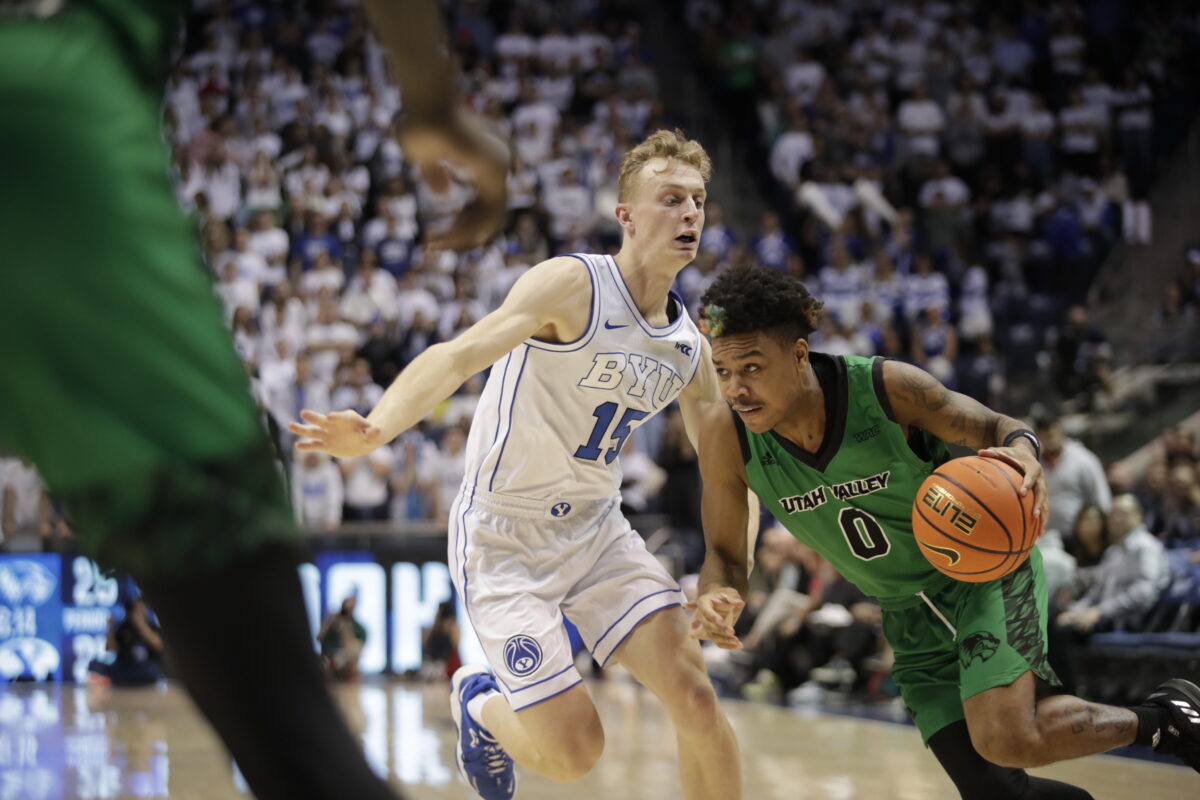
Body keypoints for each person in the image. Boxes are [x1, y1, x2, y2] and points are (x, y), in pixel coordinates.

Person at [0, 2, 506, 799]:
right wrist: (434, 103)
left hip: (175, 459)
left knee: (300, 761)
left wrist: (434, 103)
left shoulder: (86, 48)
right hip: (160, 453)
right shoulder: (89, 49)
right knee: (293, 755)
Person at [292, 129, 744, 800]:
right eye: (670, 199)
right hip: (504, 535)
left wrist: (723, 572)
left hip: (597, 532)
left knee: (696, 700)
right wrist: (379, 425)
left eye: (697, 202)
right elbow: (460, 353)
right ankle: (478, 705)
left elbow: (724, 463)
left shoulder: (686, 347)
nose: (688, 215)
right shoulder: (572, 284)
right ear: (625, 215)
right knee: (573, 753)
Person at [689, 265, 1200, 799]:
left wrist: (1025, 453)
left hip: (983, 573)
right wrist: (717, 594)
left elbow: (997, 427)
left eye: (750, 367)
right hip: (906, 615)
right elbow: (724, 552)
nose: (736, 389)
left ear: (797, 354)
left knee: (1007, 739)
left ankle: (1166, 719)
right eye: (723, 371)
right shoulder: (727, 435)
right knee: (998, 793)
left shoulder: (885, 387)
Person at [88, 596, 164, 686]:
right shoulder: (124, 627)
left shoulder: (151, 626)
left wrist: (141, 625)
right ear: (131, 611)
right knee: (94, 664)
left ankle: (120, 680)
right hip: (125, 667)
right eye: (136, 609)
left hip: (143, 667)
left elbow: (158, 646)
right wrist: (110, 629)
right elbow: (110, 648)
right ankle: (117, 680)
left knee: (152, 670)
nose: (139, 612)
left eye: (142, 609)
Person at [319, 595, 367, 681]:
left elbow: (357, 647)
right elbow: (319, 638)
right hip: (329, 654)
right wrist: (327, 623)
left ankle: (336, 665)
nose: (348, 608)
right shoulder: (331, 622)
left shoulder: (359, 629)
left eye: (351, 606)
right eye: (346, 605)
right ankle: (330, 665)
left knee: (354, 647)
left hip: (345, 659)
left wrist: (345, 629)